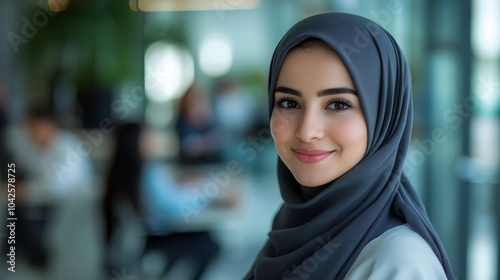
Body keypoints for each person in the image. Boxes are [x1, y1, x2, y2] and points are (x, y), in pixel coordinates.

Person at [244, 13, 455, 279]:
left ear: (385, 116)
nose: (307, 132)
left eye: (338, 104)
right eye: (289, 103)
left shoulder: (400, 263)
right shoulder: (292, 227)